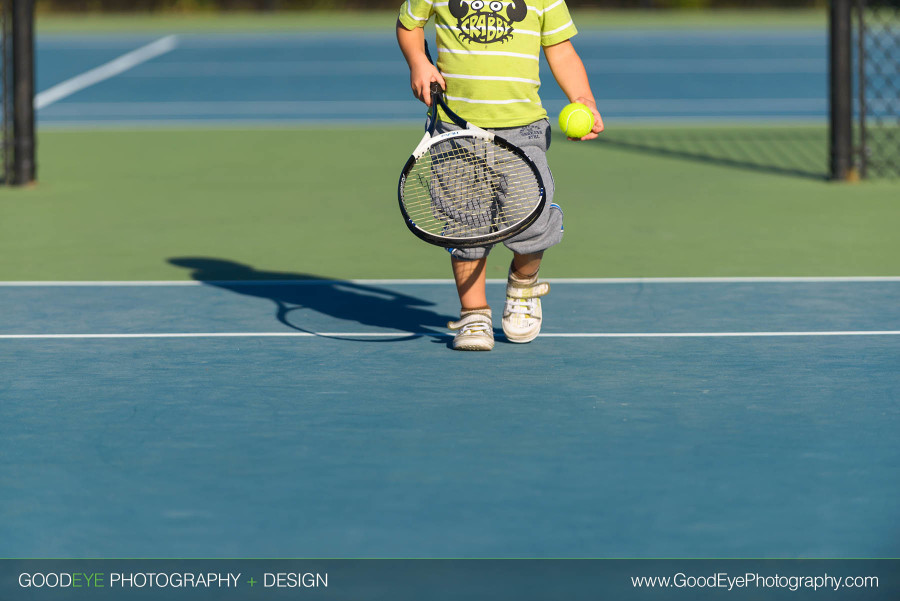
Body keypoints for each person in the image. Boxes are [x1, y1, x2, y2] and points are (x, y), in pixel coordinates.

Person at [396, 0, 603, 351]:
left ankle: (523, 285)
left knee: (532, 221)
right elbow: (409, 24)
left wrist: (584, 98)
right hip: (455, 129)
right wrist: (419, 62)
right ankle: (474, 314)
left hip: (523, 131)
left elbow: (561, 49)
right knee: (466, 226)